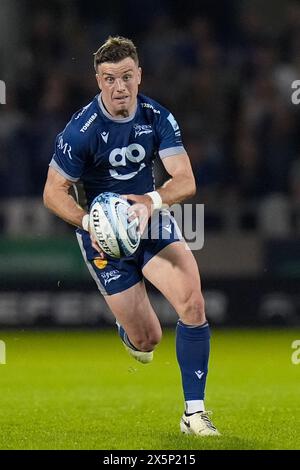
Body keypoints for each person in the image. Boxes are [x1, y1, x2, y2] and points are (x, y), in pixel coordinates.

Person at [43, 36, 220, 436]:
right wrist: (89, 223)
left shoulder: (157, 117)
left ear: (139, 75)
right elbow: (52, 193)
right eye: (109, 79)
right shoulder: (81, 131)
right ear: (97, 81)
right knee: (148, 340)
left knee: (192, 302)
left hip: (150, 221)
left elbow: (185, 180)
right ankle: (132, 334)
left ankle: (194, 413)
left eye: (126, 76)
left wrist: (149, 203)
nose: (119, 87)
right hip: (104, 236)